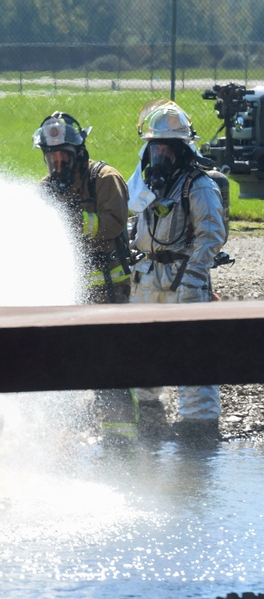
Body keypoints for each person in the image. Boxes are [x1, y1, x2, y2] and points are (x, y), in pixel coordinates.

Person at [127, 99, 228, 445]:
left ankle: (199, 430)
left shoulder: (198, 186)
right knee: (142, 352)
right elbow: (135, 225)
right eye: (155, 150)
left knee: (193, 355)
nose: (159, 158)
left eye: (166, 151)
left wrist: (194, 278)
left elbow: (211, 235)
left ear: (181, 151)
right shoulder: (145, 185)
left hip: (184, 277)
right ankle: (151, 423)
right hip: (148, 275)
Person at [33, 111, 136, 443]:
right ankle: (64, 436)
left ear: (79, 153)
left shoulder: (105, 179)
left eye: (65, 155)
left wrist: (68, 223)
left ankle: (120, 436)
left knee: (110, 360)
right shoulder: (44, 190)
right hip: (69, 288)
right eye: (52, 157)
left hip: (109, 285)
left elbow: (114, 223)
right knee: (67, 357)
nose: (58, 163)